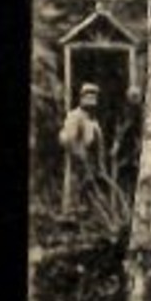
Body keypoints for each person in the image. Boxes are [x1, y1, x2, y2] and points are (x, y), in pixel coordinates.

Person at [58, 82, 105, 213]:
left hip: (91, 162)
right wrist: (78, 151)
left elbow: (98, 143)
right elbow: (66, 138)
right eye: (88, 97)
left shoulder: (93, 120)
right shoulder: (75, 116)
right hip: (77, 161)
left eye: (94, 97)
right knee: (76, 189)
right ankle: (71, 213)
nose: (91, 100)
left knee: (90, 192)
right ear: (81, 98)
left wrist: (99, 163)